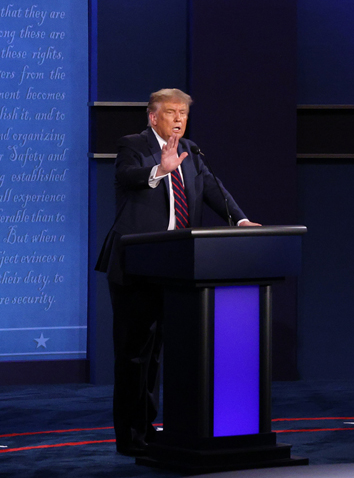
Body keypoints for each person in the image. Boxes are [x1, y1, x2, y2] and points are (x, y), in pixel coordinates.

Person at [94, 88, 260, 457]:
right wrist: (159, 170)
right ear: (153, 117)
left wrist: (242, 219)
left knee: (157, 355)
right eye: (171, 112)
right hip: (136, 265)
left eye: (183, 112)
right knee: (134, 353)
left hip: (177, 266)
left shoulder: (192, 152)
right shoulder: (133, 146)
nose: (179, 119)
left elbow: (215, 191)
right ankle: (129, 435)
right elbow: (129, 176)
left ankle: (149, 426)